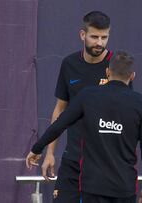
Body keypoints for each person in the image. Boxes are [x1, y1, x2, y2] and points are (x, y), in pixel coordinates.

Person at [27, 50, 142, 203]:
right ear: (132, 76)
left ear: (107, 72)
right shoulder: (141, 104)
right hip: (124, 188)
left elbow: (60, 124)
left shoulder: (88, 96)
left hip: (93, 187)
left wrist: (37, 148)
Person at [41, 11, 113, 202]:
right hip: (72, 159)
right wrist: (50, 153)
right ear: (83, 35)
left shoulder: (116, 65)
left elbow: (126, 115)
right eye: (94, 37)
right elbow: (59, 110)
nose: (99, 42)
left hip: (104, 163)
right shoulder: (69, 64)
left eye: (104, 37)